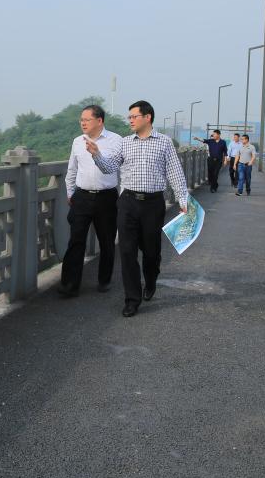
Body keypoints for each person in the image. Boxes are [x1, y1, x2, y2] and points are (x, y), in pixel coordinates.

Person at [87, 100, 188, 318]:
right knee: (127, 251)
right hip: (128, 202)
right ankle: (132, 299)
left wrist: (183, 199)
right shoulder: (124, 143)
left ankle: (150, 280)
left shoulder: (164, 142)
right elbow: (109, 167)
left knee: (151, 252)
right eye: (129, 117)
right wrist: (96, 154)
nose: (130, 120)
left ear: (147, 117)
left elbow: (175, 172)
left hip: (153, 204)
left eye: (134, 116)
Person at [58, 104, 121, 297]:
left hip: (106, 197)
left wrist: (97, 154)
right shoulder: (78, 142)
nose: (83, 123)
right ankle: (69, 285)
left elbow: (115, 168)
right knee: (76, 241)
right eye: (81, 120)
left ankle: (104, 280)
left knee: (107, 241)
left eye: (87, 120)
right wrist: (71, 193)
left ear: (99, 121)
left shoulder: (116, 140)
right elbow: (72, 170)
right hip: (82, 197)